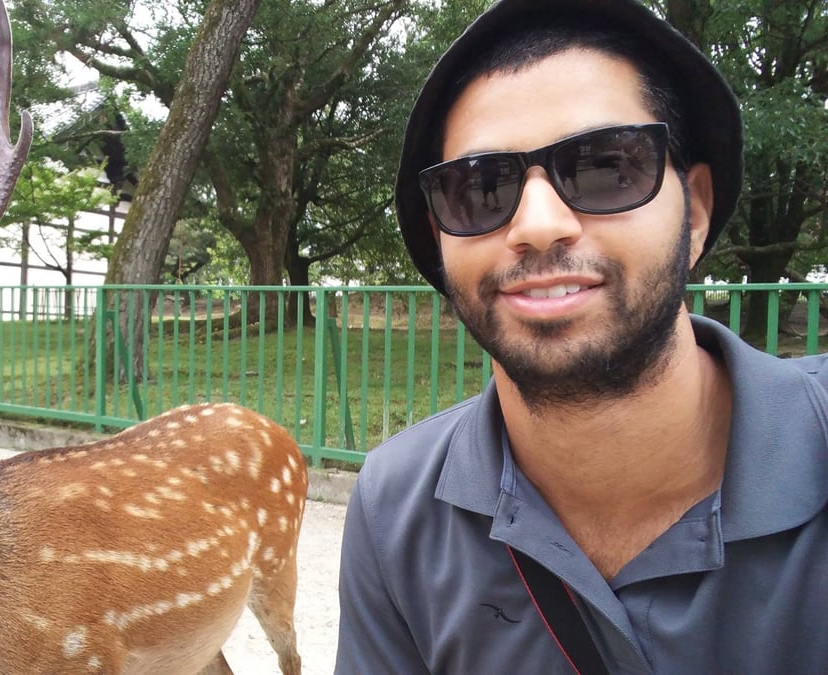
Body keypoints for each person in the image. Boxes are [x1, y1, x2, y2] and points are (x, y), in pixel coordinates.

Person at [336, 0, 828, 673]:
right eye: (480, 189)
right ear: (441, 240)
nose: (538, 224)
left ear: (696, 211)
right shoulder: (397, 509)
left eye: (606, 166)